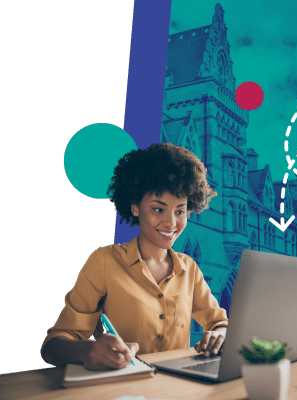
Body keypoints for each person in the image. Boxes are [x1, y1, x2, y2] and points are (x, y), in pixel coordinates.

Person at [41, 142, 229, 370]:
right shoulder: (104, 262)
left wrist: (220, 333)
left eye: (180, 211)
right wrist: (88, 350)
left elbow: (219, 322)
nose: (171, 223)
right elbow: (52, 346)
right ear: (135, 208)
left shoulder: (189, 268)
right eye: (158, 209)